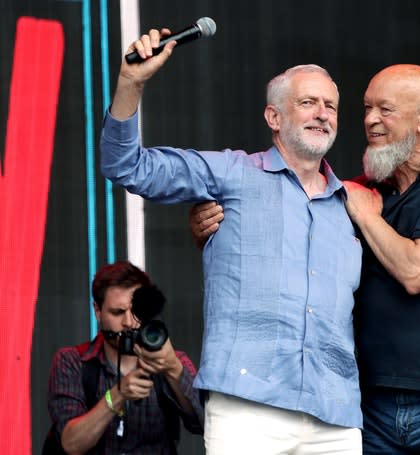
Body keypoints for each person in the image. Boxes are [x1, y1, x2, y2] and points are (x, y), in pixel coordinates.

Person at [191, 63, 420, 454]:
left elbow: (417, 272)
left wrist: (365, 215)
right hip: (374, 405)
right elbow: (286, 247)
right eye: (365, 109)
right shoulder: (358, 190)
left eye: (385, 110)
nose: (371, 121)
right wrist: (215, 225)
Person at [100, 28, 363, 454]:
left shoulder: (353, 206)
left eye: (330, 105)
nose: (322, 113)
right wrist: (132, 83)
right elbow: (127, 166)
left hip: (334, 412)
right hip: (247, 405)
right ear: (274, 118)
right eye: (308, 102)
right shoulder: (232, 174)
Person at [46, 261, 203, 454]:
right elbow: (71, 444)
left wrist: (173, 368)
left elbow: (205, 424)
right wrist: (116, 396)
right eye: (118, 312)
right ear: (97, 310)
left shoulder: (173, 359)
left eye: (136, 311)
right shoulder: (72, 362)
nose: (129, 322)